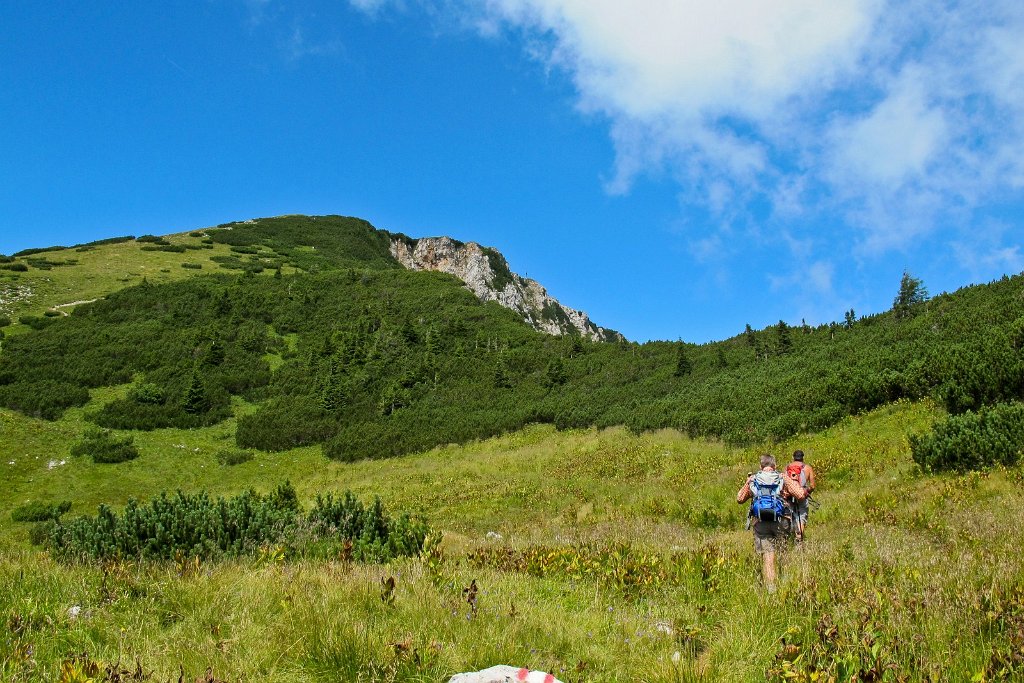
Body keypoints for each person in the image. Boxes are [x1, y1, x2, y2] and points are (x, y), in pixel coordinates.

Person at [737, 453, 807, 589]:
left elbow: (740, 498)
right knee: (783, 551)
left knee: (768, 556)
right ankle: (786, 585)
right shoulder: (782, 477)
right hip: (782, 520)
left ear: (760, 466)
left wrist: (748, 482)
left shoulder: (754, 479)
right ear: (775, 466)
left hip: (761, 522)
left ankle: (771, 589)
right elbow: (800, 495)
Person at [785, 450, 816, 542]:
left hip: (789, 497)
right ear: (803, 457)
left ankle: (788, 537)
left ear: (793, 457)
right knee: (801, 517)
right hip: (802, 496)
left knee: (789, 516)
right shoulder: (807, 468)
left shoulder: (787, 468)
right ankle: (799, 539)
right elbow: (813, 486)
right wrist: (806, 492)